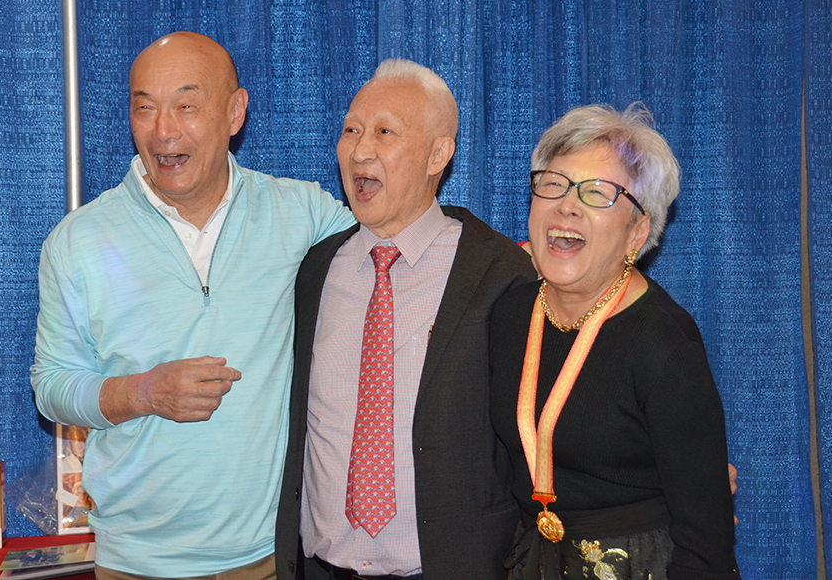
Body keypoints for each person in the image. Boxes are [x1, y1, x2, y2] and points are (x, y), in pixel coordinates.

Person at [30, 32, 355, 579]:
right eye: (145, 108)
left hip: (272, 556)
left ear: (235, 112)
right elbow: (52, 385)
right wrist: (142, 392)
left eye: (186, 106)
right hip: (136, 562)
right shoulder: (79, 241)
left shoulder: (301, 214)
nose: (163, 131)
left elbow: (387, 255)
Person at [275, 59, 539, 580]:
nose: (359, 151)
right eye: (351, 130)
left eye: (384, 132)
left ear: (438, 154)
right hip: (321, 567)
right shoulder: (315, 269)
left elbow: (534, 436)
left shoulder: (498, 271)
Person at [489, 104, 739, 578]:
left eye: (598, 193)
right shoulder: (507, 313)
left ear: (636, 233)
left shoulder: (664, 344)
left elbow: (706, 542)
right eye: (554, 183)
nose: (567, 205)